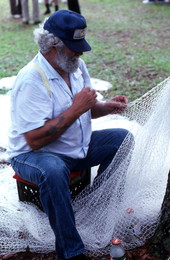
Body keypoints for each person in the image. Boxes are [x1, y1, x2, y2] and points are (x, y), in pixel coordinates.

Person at [8, 10, 132, 260]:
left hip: (73, 148)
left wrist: (105, 107)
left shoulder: (75, 65)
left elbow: (86, 109)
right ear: (53, 44)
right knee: (53, 170)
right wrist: (77, 107)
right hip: (35, 155)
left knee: (123, 139)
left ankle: (94, 209)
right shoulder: (32, 79)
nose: (81, 52)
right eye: (75, 47)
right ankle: (71, 252)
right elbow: (34, 139)